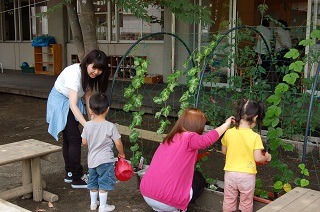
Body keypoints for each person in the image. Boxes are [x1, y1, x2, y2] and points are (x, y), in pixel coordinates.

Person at [140, 107, 235, 212]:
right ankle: (177, 208)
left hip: (147, 193)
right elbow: (207, 140)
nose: (203, 129)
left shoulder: (170, 138)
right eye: (202, 125)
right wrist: (226, 125)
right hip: (167, 201)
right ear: (196, 125)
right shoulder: (189, 137)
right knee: (198, 179)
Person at [46, 49, 109, 188]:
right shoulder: (74, 74)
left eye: (100, 70)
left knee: (70, 138)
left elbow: (88, 96)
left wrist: (91, 117)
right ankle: (77, 177)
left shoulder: (89, 76)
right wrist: (87, 125)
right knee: (74, 138)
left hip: (69, 101)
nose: (96, 72)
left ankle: (70, 173)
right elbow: (73, 105)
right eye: (94, 68)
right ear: (87, 63)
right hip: (59, 101)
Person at [221, 99, 272, 212]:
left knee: (229, 200)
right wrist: (267, 157)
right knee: (246, 203)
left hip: (230, 174)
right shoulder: (255, 137)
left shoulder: (229, 132)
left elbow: (224, 151)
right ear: (255, 118)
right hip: (247, 176)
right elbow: (258, 158)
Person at [81, 93, 125, 212]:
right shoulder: (110, 126)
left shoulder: (87, 125)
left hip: (92, 160)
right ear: (107, 109)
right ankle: (103, 206)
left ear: (90, 109)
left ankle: (93, 204)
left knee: (93, 182)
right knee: (104, 183)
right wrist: (122, 154)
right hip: (105, 160)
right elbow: (118, 143)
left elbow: (84, 142)